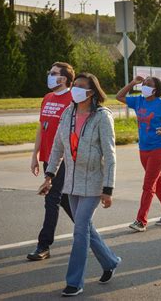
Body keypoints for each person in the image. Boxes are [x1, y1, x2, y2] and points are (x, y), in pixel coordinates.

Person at [38, 73, 121, 297]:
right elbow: (57, 147)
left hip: (94, 183)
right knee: (85, 229)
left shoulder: (103, 117)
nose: (75, 89)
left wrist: (107, 189)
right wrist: (49, 175)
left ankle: (75, 281)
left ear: (91, 92)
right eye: (74, 85)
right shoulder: (68, 113)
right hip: (71, 182)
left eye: (80, 87)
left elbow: (110, 155)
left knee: (80, 230)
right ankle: (110, 261)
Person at [116, 75, 161, 232]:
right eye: (143, 83)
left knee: (149, 184)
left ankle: (141, 220)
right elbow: (119, 96)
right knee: (158, 182)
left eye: (148, 84)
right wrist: (132, 83)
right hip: (143, 148)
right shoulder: (138, 101)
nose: (144, 86)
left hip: (158, 148)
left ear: (155, 89)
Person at [28, 62, 75, 261]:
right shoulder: (47, 98)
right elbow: (42, 127)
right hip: (48, 157)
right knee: (63, 198)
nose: (49, 75)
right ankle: (88, 231)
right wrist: (35, 155)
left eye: (53, 73)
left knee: (51, 199)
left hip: (63, 158)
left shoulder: (72, 98)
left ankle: (43, 245)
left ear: (63, 79)